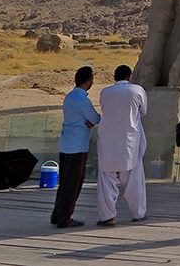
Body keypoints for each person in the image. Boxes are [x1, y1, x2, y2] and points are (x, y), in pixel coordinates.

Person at [95, 65, 148, 225]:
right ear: (129, 77)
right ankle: (138, 213)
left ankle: (108, 216)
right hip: (129, 139)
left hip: (108, 139)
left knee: (106, 179)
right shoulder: (137, 90)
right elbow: (143, 110)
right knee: (134, 178)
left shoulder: (105, 92)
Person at [50, 66, 100, 228]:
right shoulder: (82, 100)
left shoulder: (69, 97)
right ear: (88, 81)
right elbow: (95, 118)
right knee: (73, 184)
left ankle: (57, 214)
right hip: (78, 146)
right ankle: (65, 217)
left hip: (66, 144)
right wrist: (91, 121)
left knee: (64, 182)